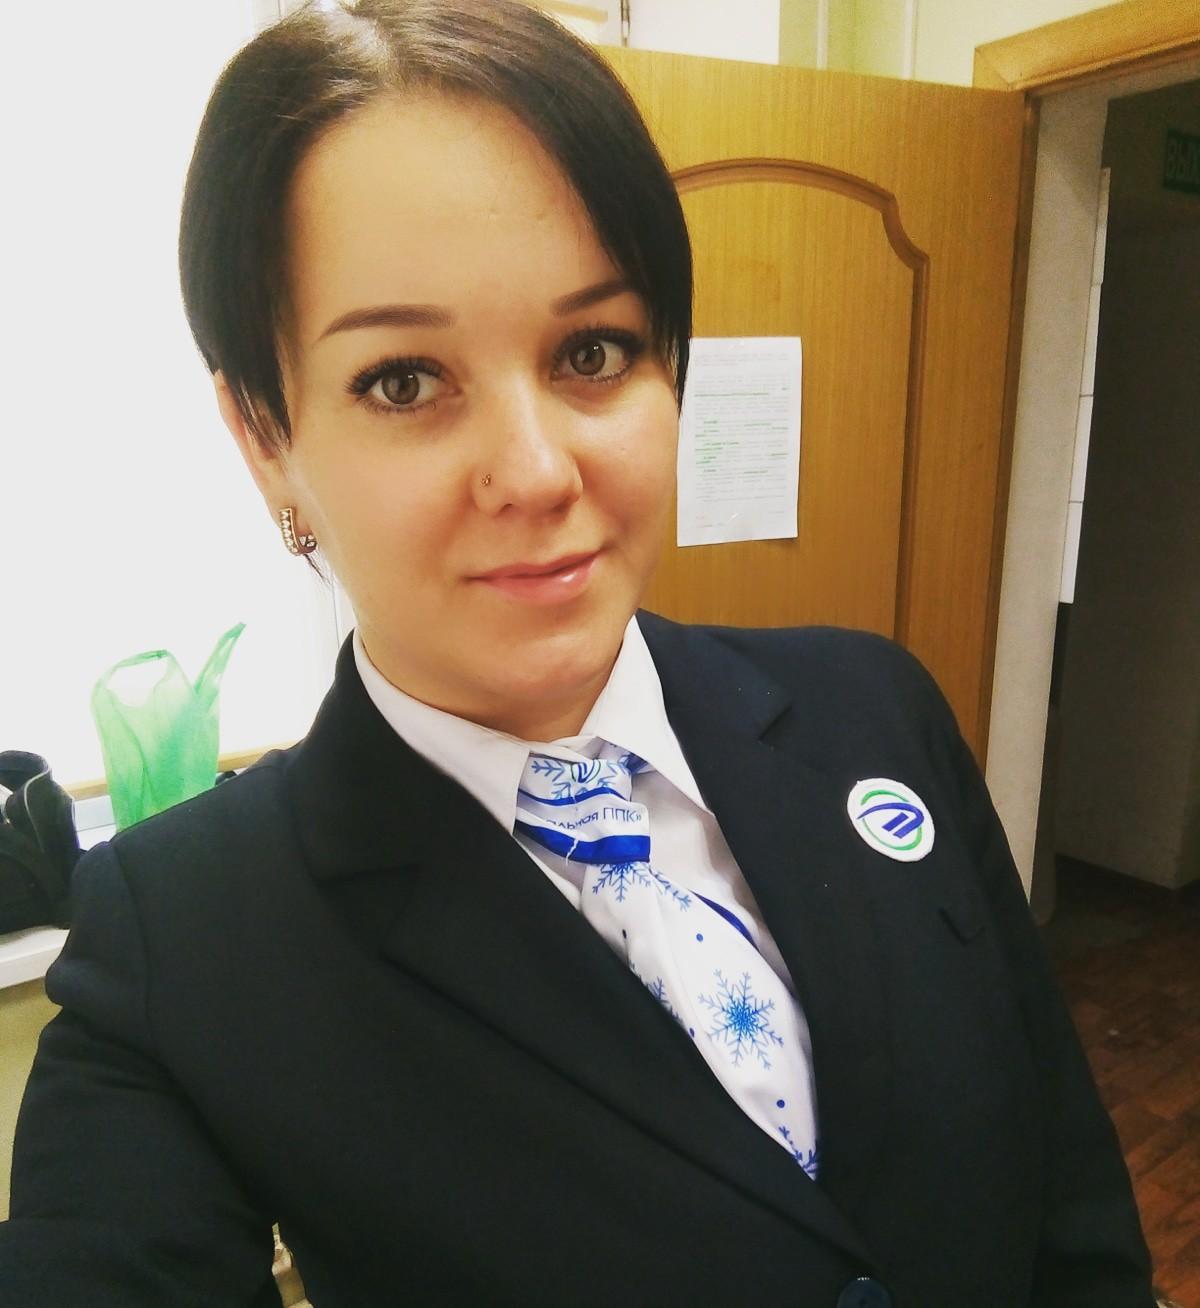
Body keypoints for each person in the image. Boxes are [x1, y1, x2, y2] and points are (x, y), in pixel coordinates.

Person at [0, 2, 1156, 1305]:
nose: (538, 471)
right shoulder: (185, 939)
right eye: (402, 380)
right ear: (265, 434)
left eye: (592, 352)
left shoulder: (872, 708)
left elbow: (1070, 1203)